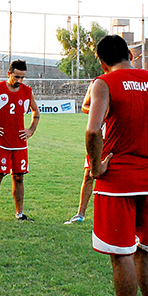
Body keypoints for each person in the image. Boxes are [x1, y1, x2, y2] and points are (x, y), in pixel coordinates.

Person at [87, 35, 148, 296]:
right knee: (146, 250)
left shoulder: (104, 83)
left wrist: (96, 168)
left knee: (121, 254)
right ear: (131, 53)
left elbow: (93, 129)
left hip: (118, 178)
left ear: (102, 61)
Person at [0, 59, 40, 224]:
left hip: (19, 144)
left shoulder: (27, 91)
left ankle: (20, 213)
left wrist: (31, 129)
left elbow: (36, 112)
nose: (19, 81)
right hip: (0, 143)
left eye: (22, 78)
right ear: (9, 74)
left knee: (19, 178)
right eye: (16, 77)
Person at [65, 84, 96, 225]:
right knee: (89, 175)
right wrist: (101, 111)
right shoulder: (97, 82)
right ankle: (80, 214)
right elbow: (85, 106)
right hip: (100, 138)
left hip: (119, 137)